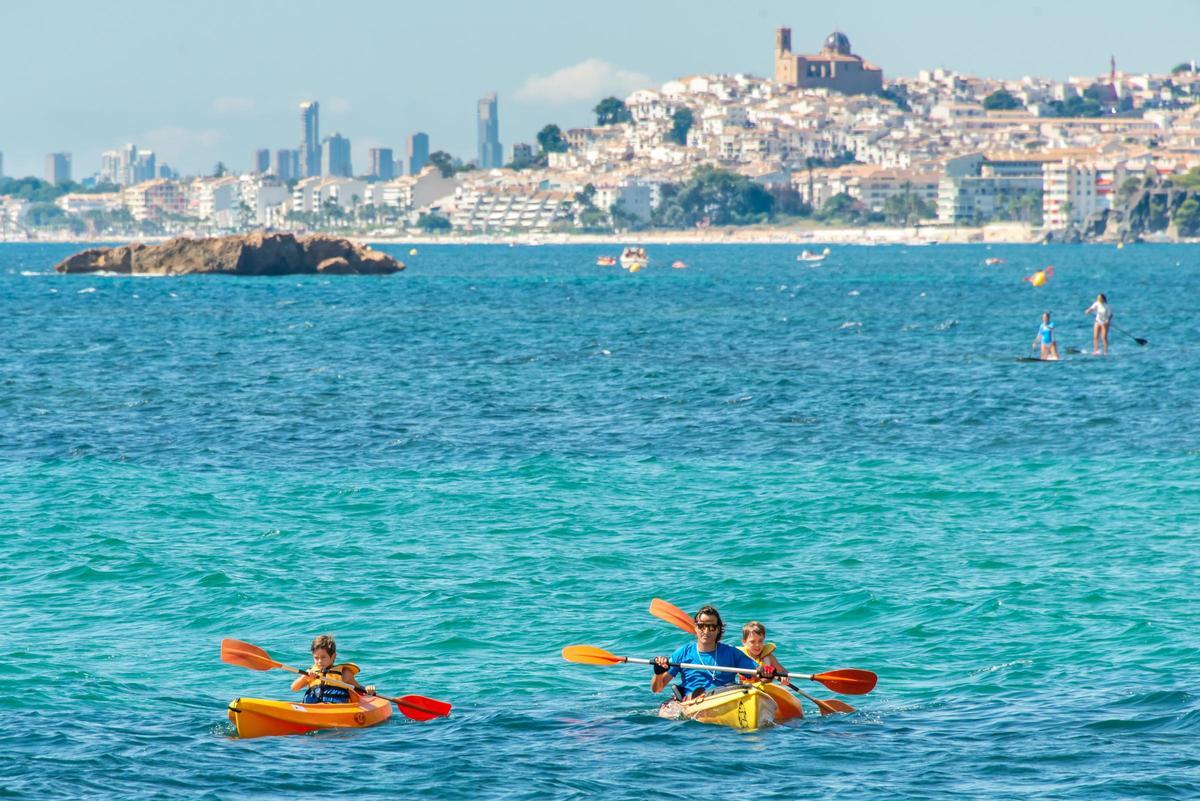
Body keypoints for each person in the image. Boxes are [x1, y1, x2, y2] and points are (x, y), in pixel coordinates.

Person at [650, 605, 772, 700]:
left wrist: (766, 673)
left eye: (711, 627)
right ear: (696, 628)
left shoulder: (732, 653)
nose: (707, 631)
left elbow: (761, 676)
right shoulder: (683, 652)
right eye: (702, 626)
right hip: (694, 701)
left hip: (726, 697)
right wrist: (658, 673)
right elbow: (657, 689)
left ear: (718, 629)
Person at [290, 634, 376, 704]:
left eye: (323, 657)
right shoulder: (311, 672)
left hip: (336, 709)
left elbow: (359, 690)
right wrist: (305, 677)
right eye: (316, 658)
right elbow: (294, 688)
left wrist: (368, 690)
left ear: (333, 656)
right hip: (313, 708)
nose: (319, 661)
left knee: (351, 693)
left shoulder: (344, 673)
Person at [738, 621, 789, 685]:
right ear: (744, 642)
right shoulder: (740, 656)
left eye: (760, 641)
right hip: (745, 689)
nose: (757, 645)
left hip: (764, 689)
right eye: (752, 642)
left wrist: (784, 676)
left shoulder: (769, 657)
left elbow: (783, 671)